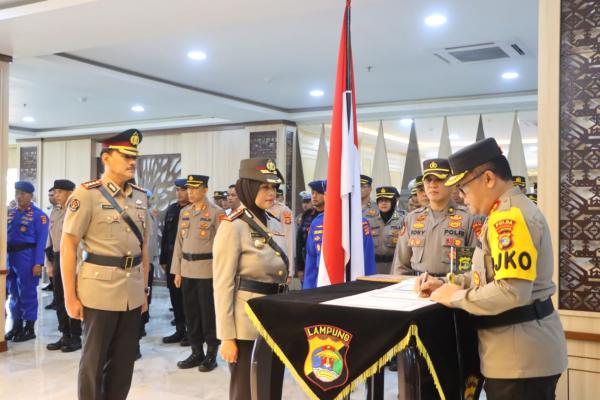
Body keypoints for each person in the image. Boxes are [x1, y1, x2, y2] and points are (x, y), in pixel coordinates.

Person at [418, 138, 567, 400]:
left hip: (520, 359)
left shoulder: (510, 217)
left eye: (463, 187)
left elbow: (512, 291)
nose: (460, 197)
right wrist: (447, 282)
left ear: (487, 178)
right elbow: (489, 274)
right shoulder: (500, 214)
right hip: (513, 353)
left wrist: (454, 297)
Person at [61, 129, 150, 400]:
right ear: (106, 158)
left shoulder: (140, 196)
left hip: (132, 292)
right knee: (93, 362)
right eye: (125, 156)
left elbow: (143, 247)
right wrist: (69, 296)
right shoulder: (86, 194)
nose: (132, 162)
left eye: (134, 157)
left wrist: (144, 291)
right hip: (98, 290)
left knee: (124, 362)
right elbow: (68, 246)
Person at [213, 158, 288, 400]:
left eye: (274, 187)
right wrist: (226, 337)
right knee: (246, 391)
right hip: (246, 325)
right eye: (264, 187)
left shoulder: (273, 222)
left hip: (275, 319)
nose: (271, 193)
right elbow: (222, 284)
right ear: (248, 187)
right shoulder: (233, 226)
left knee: (271, 387)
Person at [171, 174, 224, 372]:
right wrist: (177, 271)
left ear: (205, 190)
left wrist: (221, 273)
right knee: (191, 313)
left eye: (194, 189)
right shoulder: (185, 212)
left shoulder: (216, 213)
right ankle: (196, 352)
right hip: (187, 270)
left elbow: (222, 247)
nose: (190, 192)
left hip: (207, 271)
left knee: (208, 314)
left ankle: (211, 353)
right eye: (188, 189)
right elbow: (178, 243)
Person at [392, 159, 479, 277]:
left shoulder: (468, 219)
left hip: (451, 287)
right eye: (428, 180)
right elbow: (401, 265)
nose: (432, 184)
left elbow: (474, 266)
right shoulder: (412, 218)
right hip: (417, 286)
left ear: (453, 184)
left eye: (439, 179)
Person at [303, 180, 376, 289]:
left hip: (353, 284)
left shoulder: (360, 223)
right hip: (323, 283)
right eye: (328, 194)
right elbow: (311, 261)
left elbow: (368, 260)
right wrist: (308, 290)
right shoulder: (317, 223)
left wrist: (370, 289)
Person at [4, 181, 49, 342]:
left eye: (23, 194)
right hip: (10, 257)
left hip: (27, 257)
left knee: (28, 293)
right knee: (13, 293)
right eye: (17, 193)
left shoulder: (40, 216)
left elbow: (42, 241)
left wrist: (38, 263)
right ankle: (16, 326)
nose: (19, 196)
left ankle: (29, 328)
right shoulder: (10, 213)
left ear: (31, 196)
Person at [45, 179, 82, 352]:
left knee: (72, 296)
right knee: (59, 297)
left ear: (70, 192)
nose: (55, 195)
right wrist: (49, 264)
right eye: (55, 192)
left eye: (59, 192)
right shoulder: (55, 211)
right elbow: (50, 239)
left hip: (74, 259)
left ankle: (75, 336)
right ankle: (64, 334)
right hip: (57, 257)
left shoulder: (77, 209)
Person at [160, 178, 190, 345]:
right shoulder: (172, 209)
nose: (179, 193)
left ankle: (191, 333)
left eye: (183, 190)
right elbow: (166, 236)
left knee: (187, 299)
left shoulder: (193, 210)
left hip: (187, 261)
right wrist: (164, 258)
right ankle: (179, 330)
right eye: (177, 190)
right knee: (175, 297)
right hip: (171, 260)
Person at [295, 181, 325, 283]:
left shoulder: (332, 216)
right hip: (308, 265)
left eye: (318, 193)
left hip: (324, 266)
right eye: (313, 193)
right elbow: (299, 242)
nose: (314, 196)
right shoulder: (307, 215)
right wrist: (300, 268)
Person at [372, 186, 405, 274]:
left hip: (395, 267)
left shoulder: (404, 218)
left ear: (393, 201)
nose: (383, 203)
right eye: (380, 200)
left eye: (387, 200)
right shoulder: (370, 219)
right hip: (374, 267)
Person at [269, 189, 295, 278]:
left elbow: (289, 240)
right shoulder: (252, 209)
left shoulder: (283, 210)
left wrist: (290, 270)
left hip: (277, 263)